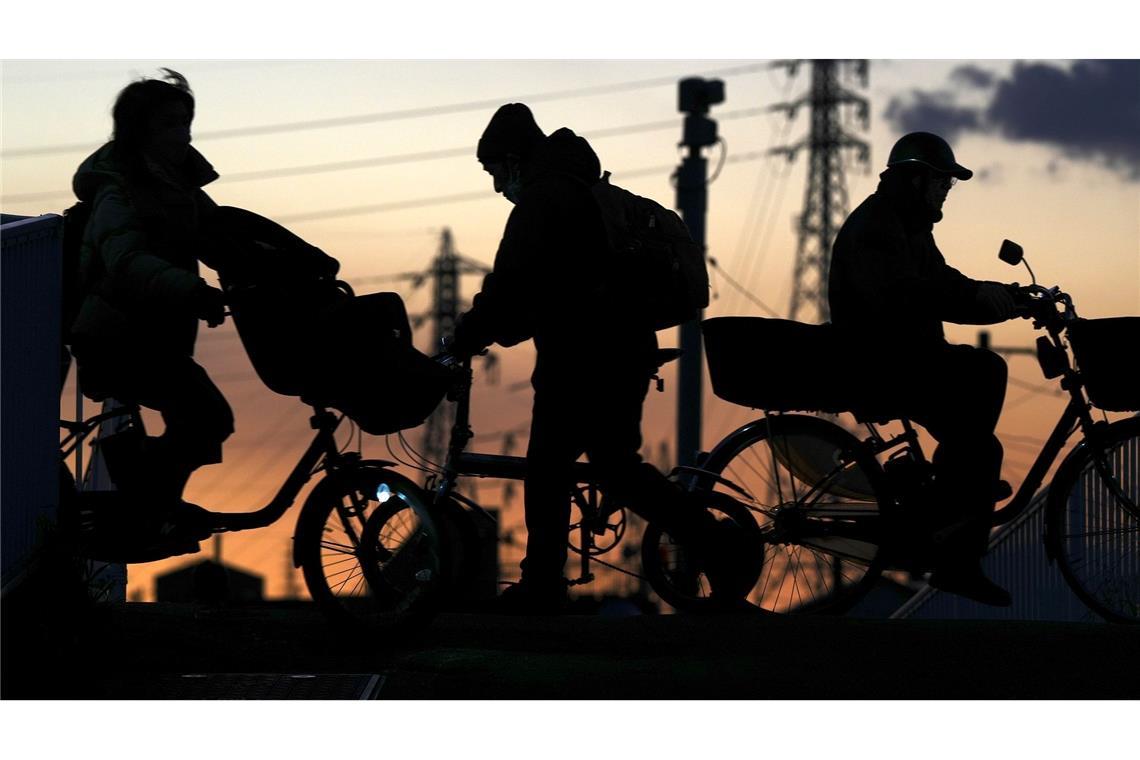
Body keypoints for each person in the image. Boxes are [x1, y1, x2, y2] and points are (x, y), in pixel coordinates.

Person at [448, 104, 733, 613]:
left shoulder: (545, 197)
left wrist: (465, 336)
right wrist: (498, 328)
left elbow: (513, 285)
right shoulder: (576, 188)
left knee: (551, 467)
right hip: (619, 348)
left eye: (494, 172)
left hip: (585, 355)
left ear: (513, 161)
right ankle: (711, 541)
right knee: (615, 467)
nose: (496, 187)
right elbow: (544, 289)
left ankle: (541, 586)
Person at [829, 131, 1018, 606]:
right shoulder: (877, 226)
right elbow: (907, 292)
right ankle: (951, 504)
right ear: (914, 180)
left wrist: (1006, 299)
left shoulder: (908, 226)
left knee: (980, 441)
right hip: (882, 363)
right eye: (940, 184)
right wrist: (977, 296)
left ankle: (954, 520)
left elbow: (942, 284)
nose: (945, 193)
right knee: (985, 376)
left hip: (906, 358)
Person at [68, 69, 232, 549]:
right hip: (114, 337)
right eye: (169, 124)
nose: (182, 133)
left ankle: (149, 502)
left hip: (151, 338)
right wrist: (191, 290)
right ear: (140, 131)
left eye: (186, 122)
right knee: (206, 415)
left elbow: (225, 239)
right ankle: (150, 506)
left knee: (204, 418)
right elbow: (126, 261)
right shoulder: (116, 191)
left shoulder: (180, 191)